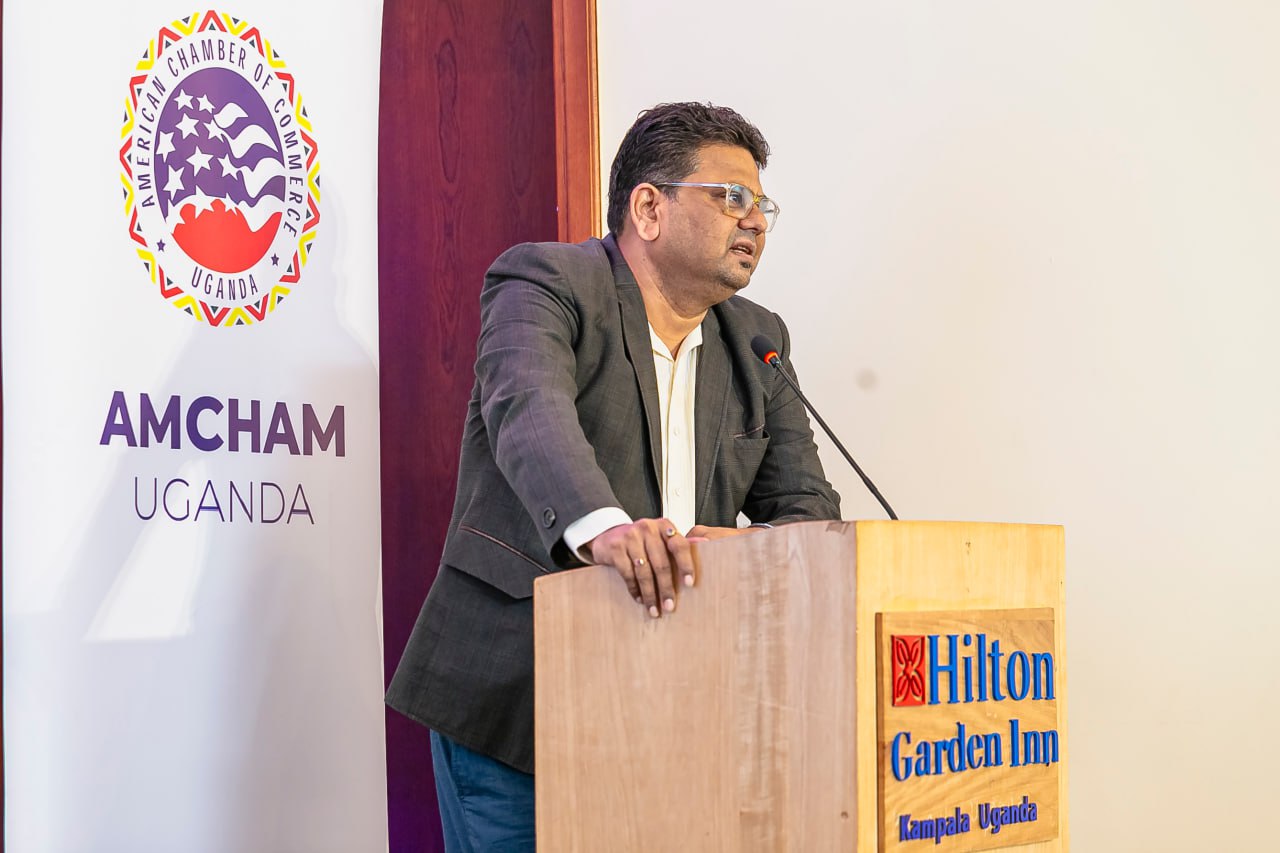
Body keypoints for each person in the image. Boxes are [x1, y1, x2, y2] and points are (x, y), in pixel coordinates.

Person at [386, 102, 841, 851]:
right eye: (732, 197)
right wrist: (606, 529)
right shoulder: (546, 281)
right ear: (649, 208)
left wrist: (775, 559)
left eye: (763, 205)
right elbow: (528, 410)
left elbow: (805, 509)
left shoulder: (758, 338)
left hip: (678, 707)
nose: (755, 221)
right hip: (521, 703)